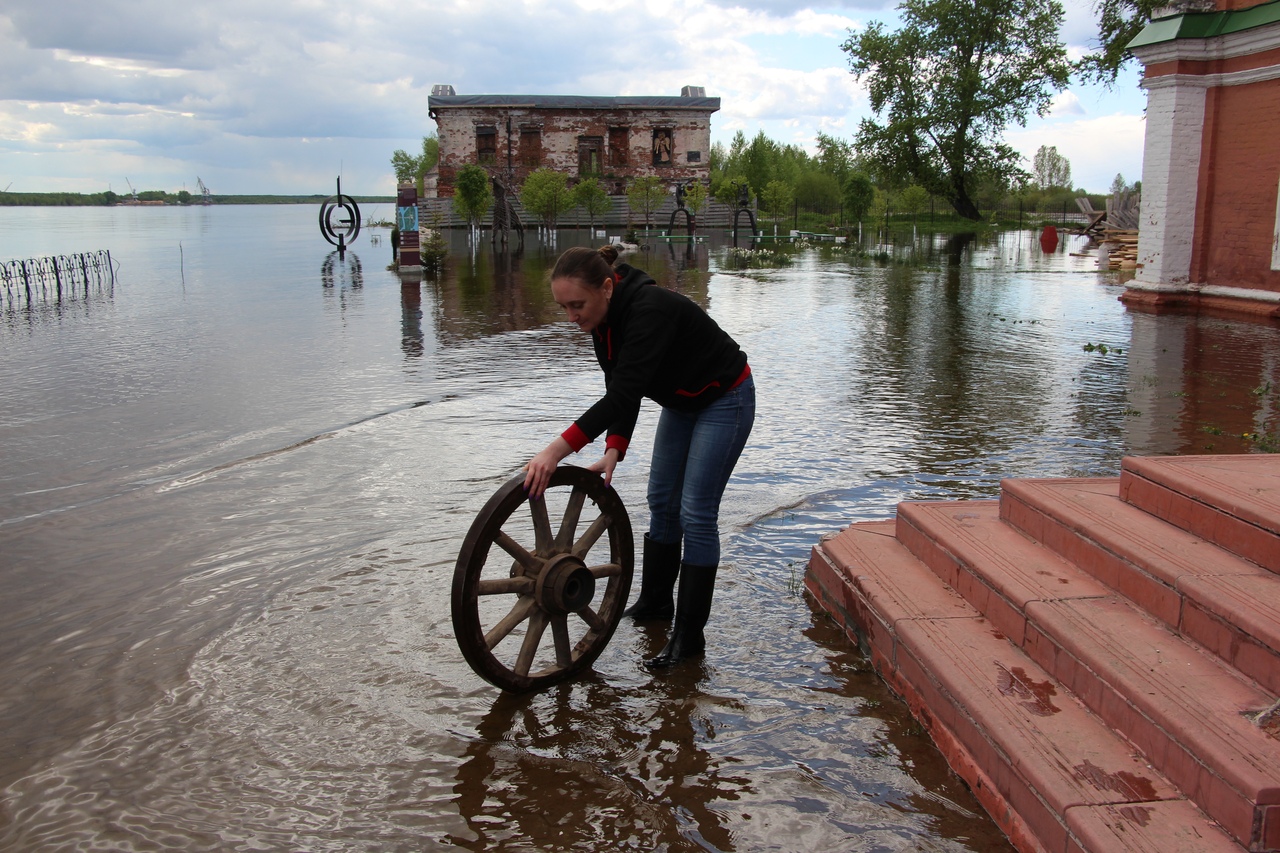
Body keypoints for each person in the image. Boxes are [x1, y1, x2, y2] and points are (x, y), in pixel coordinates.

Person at [523, 245, 755, 668]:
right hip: (682, 403)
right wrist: (615, 446)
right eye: (564, 307)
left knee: (696, 513)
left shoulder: (649, 312)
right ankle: (654, 604)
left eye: (577, 305)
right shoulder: (602, 322)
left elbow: (625, 393)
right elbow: (621, 389)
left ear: (607, 288)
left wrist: (556, 450)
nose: (571, 317)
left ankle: (688, 639)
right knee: (661, 503)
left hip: (726, 399)